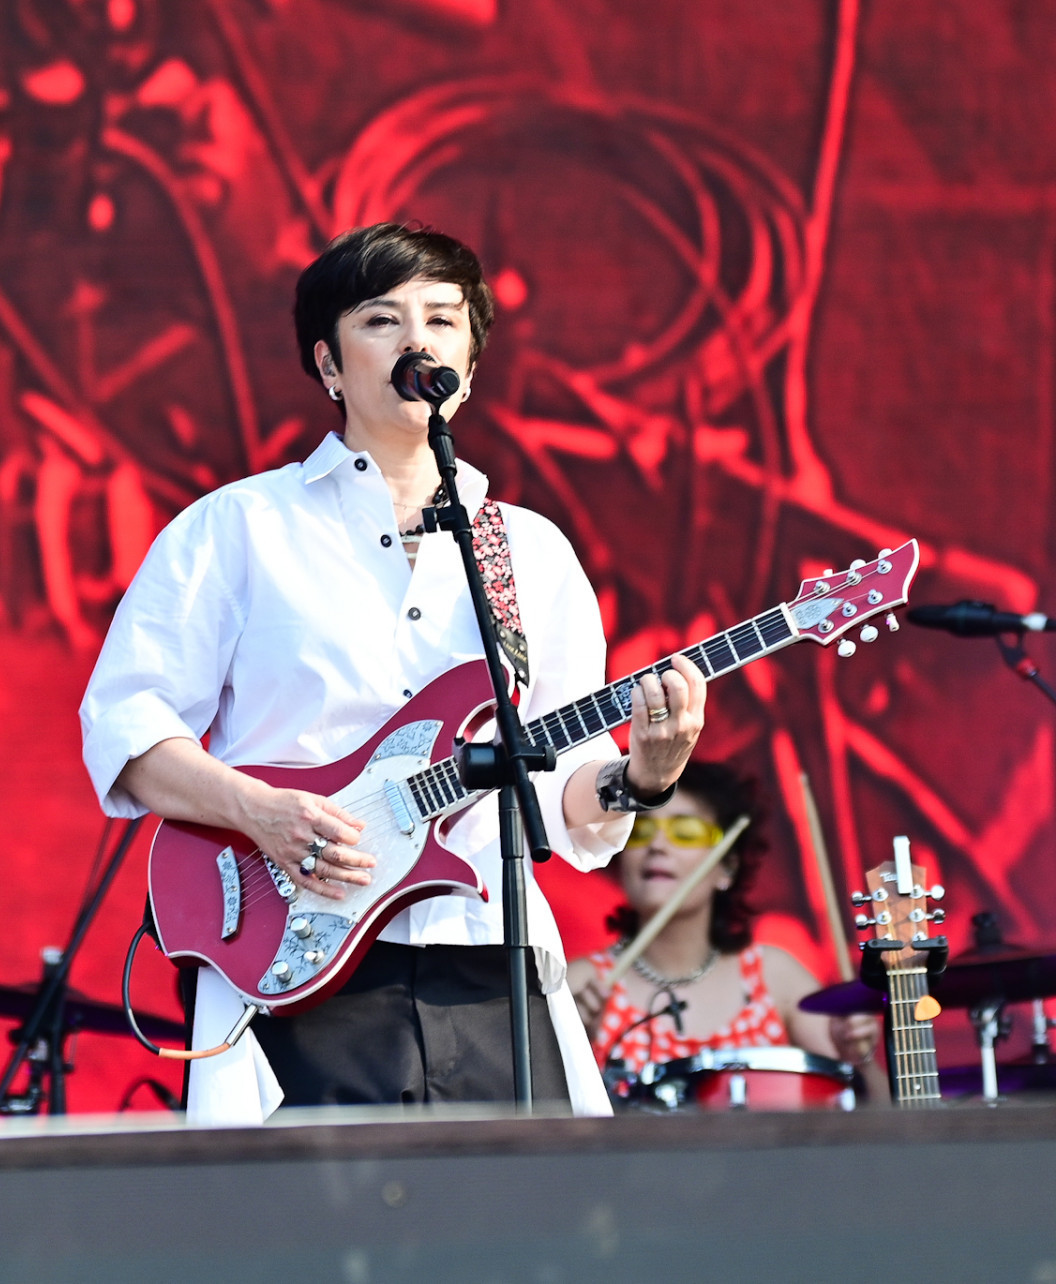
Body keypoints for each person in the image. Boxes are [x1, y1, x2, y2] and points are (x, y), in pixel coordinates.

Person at [80, 222, 705, 1121]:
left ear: (471, 363)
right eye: (382, 320)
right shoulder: (238, 528)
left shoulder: (528, 551)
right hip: (294, 950)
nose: (418, 341)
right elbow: (127, 729)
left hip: (488, 952)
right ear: (330, 366)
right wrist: (263, 811)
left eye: (443, 320)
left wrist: (643, 776)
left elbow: (564, 788)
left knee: (525, 1245)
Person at [567, 760, 881, 1085]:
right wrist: (566, 1049)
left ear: (727, 867)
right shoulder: (581, 987)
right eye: (640, 831)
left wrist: (858, 1058)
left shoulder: (774, 977)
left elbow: (870, 1112)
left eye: (686, 832)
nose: (657, 846)